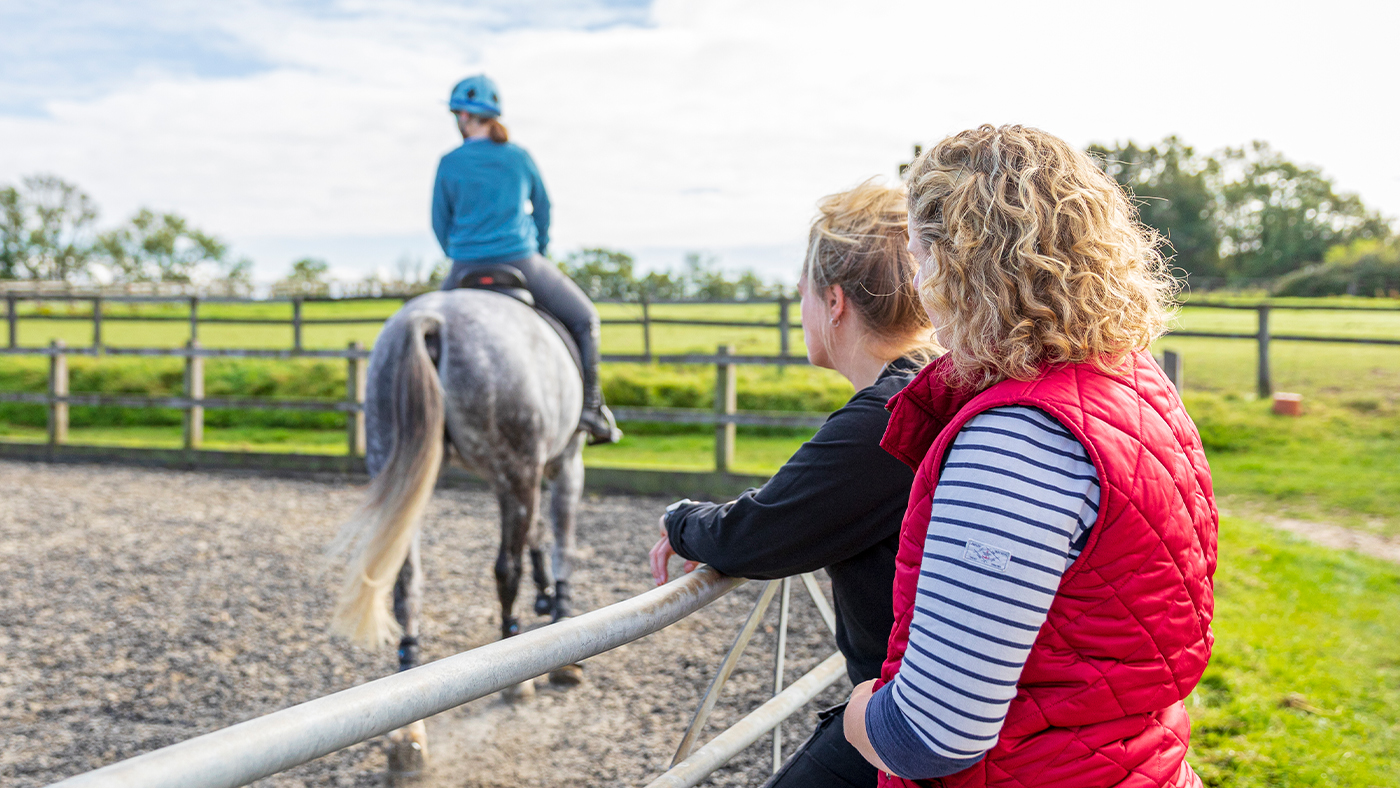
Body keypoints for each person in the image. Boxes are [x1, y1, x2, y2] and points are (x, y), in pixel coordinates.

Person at [842, 125, 1217, 788]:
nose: (917, 279)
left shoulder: (1018, 438)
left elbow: (933, 735)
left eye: (919, 254)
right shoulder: (1132, 385)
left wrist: (859, 714)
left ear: (954, 262)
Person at [649, 180, 938, 787]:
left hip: (915, 720)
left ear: (834, 302)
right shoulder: (934, 386)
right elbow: (802, 506)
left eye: (802, 292)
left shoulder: (887, 420)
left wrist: (680, 520)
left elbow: (756, 535)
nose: (801, 304)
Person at [432, 74, 621, 444]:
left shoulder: (448, 162)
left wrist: (459, 253)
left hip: (464, 267)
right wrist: (541, 250)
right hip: (521, 262)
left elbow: (440, 222)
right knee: (585, 319)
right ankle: (592, 409)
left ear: (467, 117)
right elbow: (544, 208)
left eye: (458, 114)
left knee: (425, 333)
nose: (457, 121)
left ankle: (429, 417)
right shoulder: (519, 157)